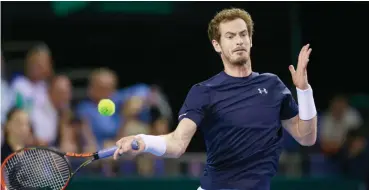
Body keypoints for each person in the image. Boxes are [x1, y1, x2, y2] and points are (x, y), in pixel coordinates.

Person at [113, 8, 318, 190]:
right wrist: (143, 140)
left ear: (251, 40)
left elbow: (306, 137)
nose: (238, 41)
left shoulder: (273, 85)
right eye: (230, 36)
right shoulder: (204, 91)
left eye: (243, 34)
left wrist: (304, 91)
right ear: (217, 45)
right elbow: (177, 143)